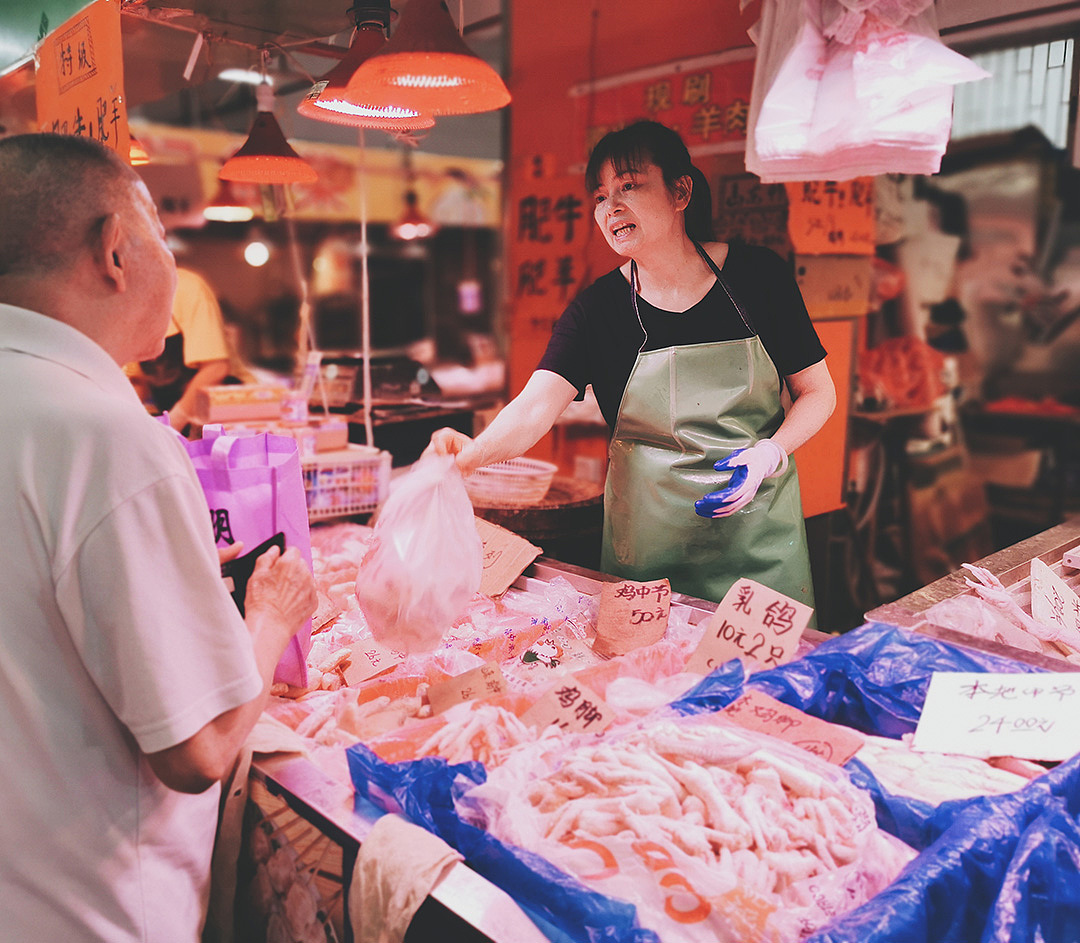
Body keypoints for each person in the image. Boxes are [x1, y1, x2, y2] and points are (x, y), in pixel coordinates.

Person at [0, 133, 316, 942]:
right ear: (114, 251)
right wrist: (270, 614)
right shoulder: (108, 435)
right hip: (88, 914)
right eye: (164, 240)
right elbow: (199, 746)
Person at [430, 120, 835, 609]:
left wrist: (770, 452)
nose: (611, 207)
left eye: (629, 186)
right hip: (648, 547)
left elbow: (818, 392)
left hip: (760, 536)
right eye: (600, 196)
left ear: (681, 191)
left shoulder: (758, 276)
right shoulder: (597, 310)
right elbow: (536, 406)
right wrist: (471, 456)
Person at [126, 266, 252, 433]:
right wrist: (130, 419)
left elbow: (216, 369)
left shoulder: (187, 288)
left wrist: (174, 422)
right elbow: (138, 380)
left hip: (228, 414)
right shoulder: (127, 301)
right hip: (174, 416)